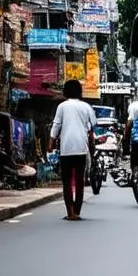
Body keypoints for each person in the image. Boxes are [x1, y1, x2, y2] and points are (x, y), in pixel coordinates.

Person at [49, 79, 96, 221]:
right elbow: (93, 123)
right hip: (81, 147)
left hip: (66, 148)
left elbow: (56, 125)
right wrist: (86, 128)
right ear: (80, 92)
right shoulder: (86, 106)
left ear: (65, 92)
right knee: (80, 180)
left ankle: (70, 212)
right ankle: (77, 211)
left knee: (67, 181)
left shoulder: (62, 106)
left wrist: (51, 141)